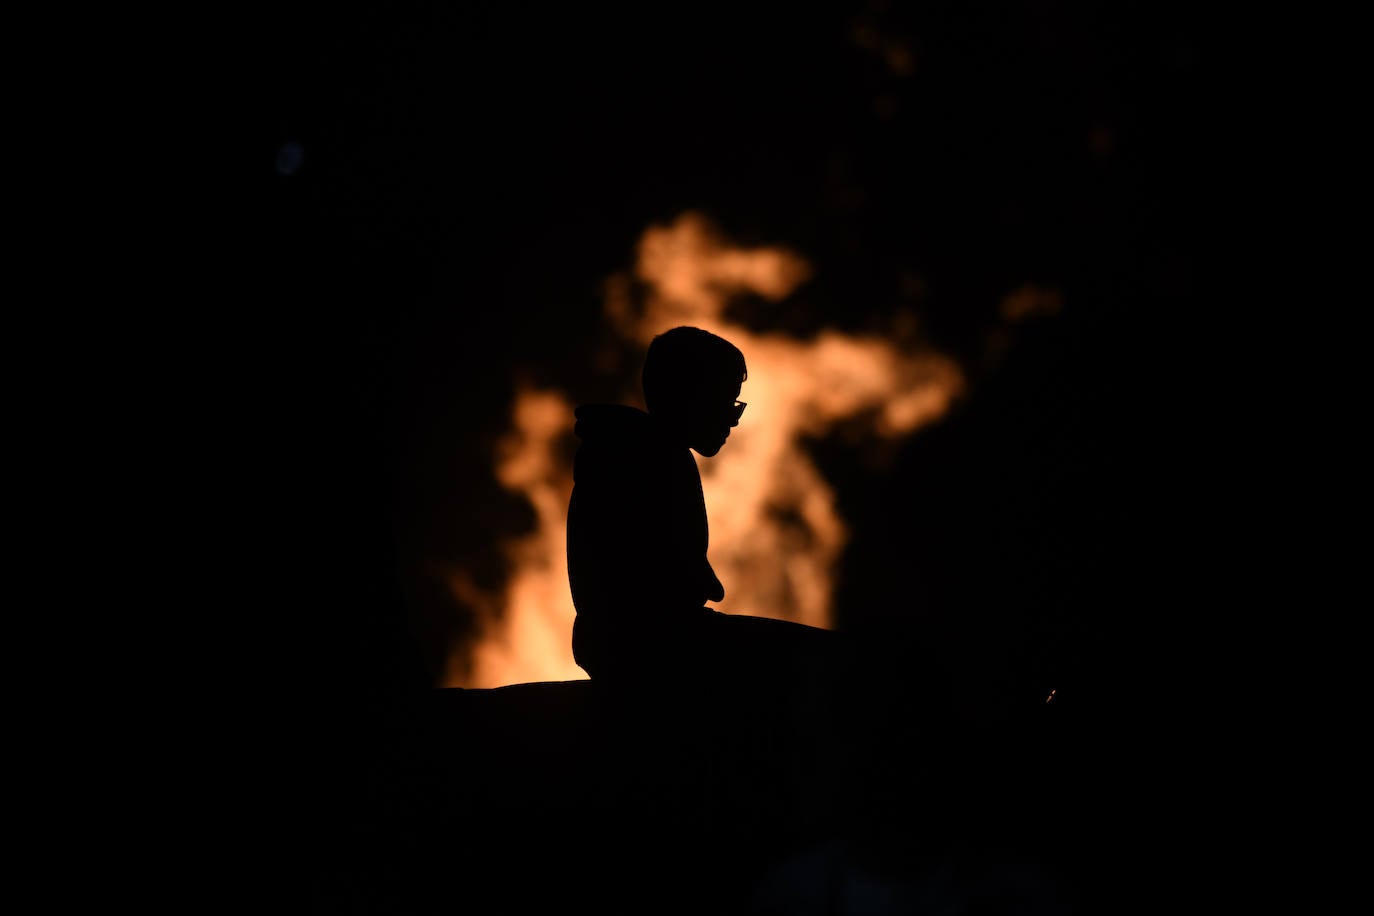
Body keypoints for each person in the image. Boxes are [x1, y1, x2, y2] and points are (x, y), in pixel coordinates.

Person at [566, 326, 845, 695]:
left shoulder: (627, 452)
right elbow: (669, 579)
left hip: (622, 644)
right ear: (690, 396)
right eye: (725, 403)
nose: (733, 419)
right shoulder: (652, 460)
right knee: (826, 660)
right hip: (651, 647)